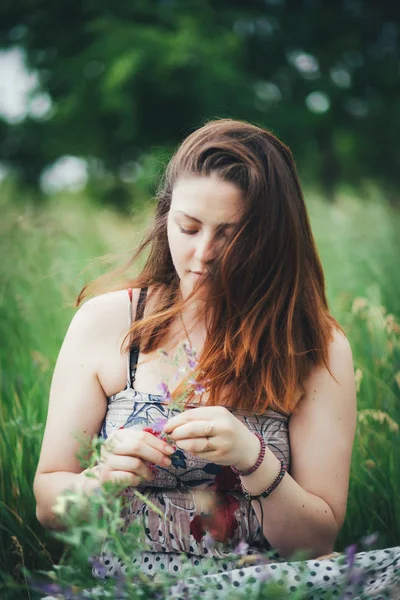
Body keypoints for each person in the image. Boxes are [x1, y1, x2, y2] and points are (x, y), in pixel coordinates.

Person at [33, 119, 400, 598]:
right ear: (165, 217)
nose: (202, 253)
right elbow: (47, 504)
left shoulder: (316, 346)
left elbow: (316, 539)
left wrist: (254, 460)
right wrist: (102, 478)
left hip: (267, 583)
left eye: (231, 234)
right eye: (188, 227)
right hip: (132, 584)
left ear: (272, 237)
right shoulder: (106, 323)